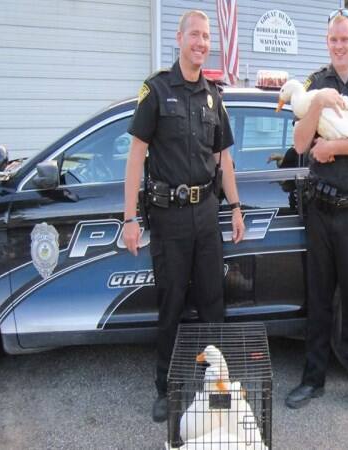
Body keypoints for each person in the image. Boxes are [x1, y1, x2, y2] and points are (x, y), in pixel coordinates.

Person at [123, 10, 245, 423]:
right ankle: (167, 387)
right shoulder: (156, 90)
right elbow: (136, 156)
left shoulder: (214, 95)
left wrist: (235, 207)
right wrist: (129, 218)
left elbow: (222, 159)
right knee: (172, 304)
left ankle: (216, 386)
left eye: (207, 36)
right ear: (179, 38)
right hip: (169, 217)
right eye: (194, 34)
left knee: (213, 303)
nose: (201, 41)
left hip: (207, 214)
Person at [285, 8, 348, 419]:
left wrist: (331, 149)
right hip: (320, 207)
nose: (339, 45)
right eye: (333, 40)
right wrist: (320, 105)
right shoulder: (314, 84)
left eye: (345, 39)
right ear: (327, 44)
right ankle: (313, 379)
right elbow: (298, 142)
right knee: (318, 297)